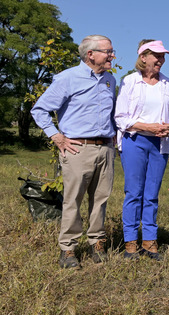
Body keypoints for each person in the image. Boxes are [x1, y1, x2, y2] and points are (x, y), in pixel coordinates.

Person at [31, 35, 117, 269]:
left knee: (100, 200)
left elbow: (112, 115)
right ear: (91, 54)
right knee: (73, 200)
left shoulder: (110, 80)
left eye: (111, 51)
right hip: (78, 148)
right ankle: (68, 249)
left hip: (105, 148)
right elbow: (39, 110)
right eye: (108, 51)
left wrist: (114, 142)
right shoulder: (68, 78)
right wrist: (57, 137)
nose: (112, 55)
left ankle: (97, 243)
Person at [115, 39, 169, 260]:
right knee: (133, 192)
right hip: (134, 141)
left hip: (160, 144)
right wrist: (147, 126)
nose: (161, 60)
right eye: (157, 56)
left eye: (163, 57)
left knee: (152, 194)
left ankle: (150, 241)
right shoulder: (129, 82)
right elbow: (120, 118)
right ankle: (130, 244)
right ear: (143, 57)